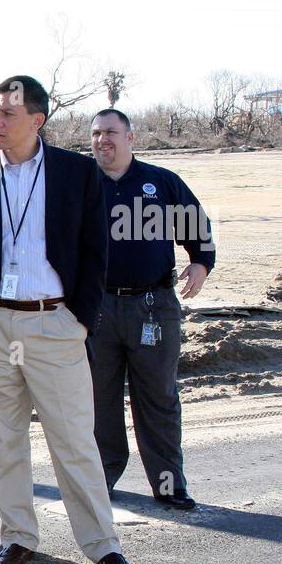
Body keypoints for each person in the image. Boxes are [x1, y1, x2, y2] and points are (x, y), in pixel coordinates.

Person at [0, 75, 133, 564]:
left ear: (37, 119)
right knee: (4, 443)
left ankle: (101, 543)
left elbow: (97, 254)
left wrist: (80, 322)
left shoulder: (77, 173)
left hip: (56, 324)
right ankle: (17, 536)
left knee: (74, 440)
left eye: (9, 113)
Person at [90, 108, 214, 510]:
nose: (102, 140)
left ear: (131, 138)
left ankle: (168, 483)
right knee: (97, 398)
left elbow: (197, 227)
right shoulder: (81, 183)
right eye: (95, 134)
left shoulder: (160, 182)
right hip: (96, 309)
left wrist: (200, 261)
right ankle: (100, 479)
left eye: (110, 132)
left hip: (152, 307)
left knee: (158, 396)